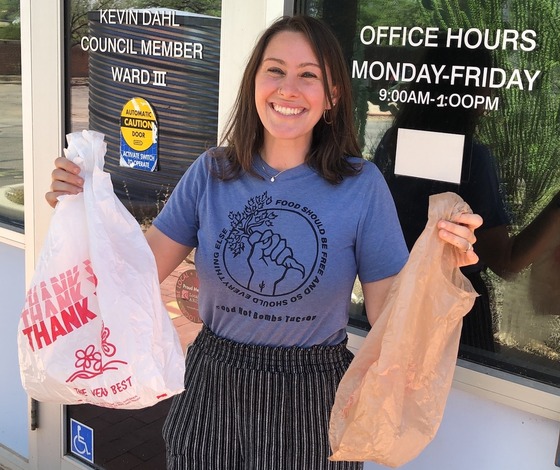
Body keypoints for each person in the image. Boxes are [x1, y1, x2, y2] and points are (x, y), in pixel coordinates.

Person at [46, 15, 481, 470]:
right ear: (254, 82)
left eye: (308, 75)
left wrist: (439, 266)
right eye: (275, 70)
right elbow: (135, 273)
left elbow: (387, 316)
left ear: (332, 97)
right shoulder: (212, 172)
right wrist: (81, 215)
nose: (288, 88)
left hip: (313, 399)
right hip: (213, 387)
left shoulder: (361, 186)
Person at [373, 42, 560, 353]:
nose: (488, 100)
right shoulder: (471, 158)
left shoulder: (394, 143)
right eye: (486, 86)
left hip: (392, 296)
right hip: (454, 307)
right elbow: (506, 260)